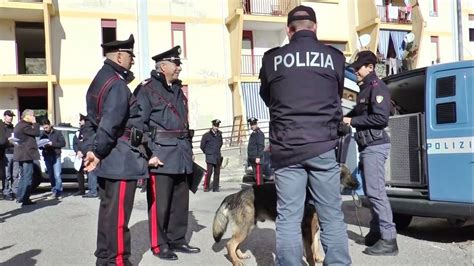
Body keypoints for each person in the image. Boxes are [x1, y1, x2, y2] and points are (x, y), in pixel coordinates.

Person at [259, 5, 351, 265]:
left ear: (289, 30)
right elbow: (336, 93)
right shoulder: (334, 57)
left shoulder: (271, 59)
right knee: (331, 214)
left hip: (287, 148)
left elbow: (268, 98)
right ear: (315, 27)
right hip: (322, 145)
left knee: (288, 216)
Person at [82, 34, 148, 265]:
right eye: (131, 55)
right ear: (120, 56)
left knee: (108, 213)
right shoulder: (118, 85)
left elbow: (90, 122)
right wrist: (97, 152)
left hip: (109, 158)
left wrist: (92, 150)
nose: (133, 60)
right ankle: (116, 261)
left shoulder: (99, 80)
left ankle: (104, 258)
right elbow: (110, 124)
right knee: (118, 216)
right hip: (120, 159)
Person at [134, 45, 200, 261]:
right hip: (160, 153)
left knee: (180, 201)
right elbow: (138, 124)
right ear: (163, 66)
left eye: (179, 63)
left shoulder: (178, 90)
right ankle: (159, 243)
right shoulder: (147, 89)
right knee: (160, 204)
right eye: (176, 63)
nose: (179, 67)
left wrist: (189, 152)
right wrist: (148, 153)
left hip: (180, 152)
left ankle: (177, 239)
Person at [343, 50, 398, 256]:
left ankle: (389, 239)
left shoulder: (377, 87)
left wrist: (351, 121)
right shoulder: (364, 89)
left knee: (377, 193)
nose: (356, 71)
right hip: (367, 146)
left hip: (375, 146)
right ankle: (376, 232)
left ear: (370, 68)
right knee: (371, 192)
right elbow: (358, 113)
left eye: (359, 68)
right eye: (355, 68)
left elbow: (380, 119)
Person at [13, 109, 40, 206]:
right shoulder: (25, 126)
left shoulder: (19, 125)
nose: (34, 117)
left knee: (23, 177)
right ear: (27, 116)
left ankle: (20, 197)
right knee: (28, 177)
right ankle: (25, 199)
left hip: (21, 155)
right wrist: (35, 123)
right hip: (26, 155)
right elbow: (37, 133)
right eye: (32, 115)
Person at [73, 113, 98, 198]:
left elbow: (88, 142)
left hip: (89, 152)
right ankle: (91, 190)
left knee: (91, 172)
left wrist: (84, 151)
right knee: (90, 172)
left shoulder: (88, 129)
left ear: (84, 120)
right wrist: (79, 151)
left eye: (80, 120)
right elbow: (79, 142)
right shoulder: (84, 129)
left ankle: (93, 191)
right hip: (86, 152)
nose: (79, 122)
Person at [40, 119, 66, 199]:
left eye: (46, 127)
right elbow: (40, 145)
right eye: (44, 128)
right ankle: (54, 192)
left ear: (50, 125)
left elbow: (63, 143)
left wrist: (52, 144)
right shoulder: (43, 134)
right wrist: (43, 146)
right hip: (47, 156)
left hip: (56, 156)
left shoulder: (57, 133)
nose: (45, 129)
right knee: (51, 175)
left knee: (57, 175)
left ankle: (59, 192)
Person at [200, 119, 223, 192]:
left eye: (217, 126)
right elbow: (202, 146)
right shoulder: (206, 135)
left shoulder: (219, 134)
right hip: (210, 156)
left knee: (217, 172)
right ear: (212, 126)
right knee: (209, 172)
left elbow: (220, 143)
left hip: (217, 156)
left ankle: (215, 187)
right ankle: (206, 187)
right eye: (215, 126)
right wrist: (207, 152)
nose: (216, 127)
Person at [1, 110, 19, 201]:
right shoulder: (2, 127)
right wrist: (8, 140)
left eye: (12, 116)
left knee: (15, 174)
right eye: (9, 115)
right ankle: (6, 192)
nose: (11, 117)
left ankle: (15, 191)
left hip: (15, 152)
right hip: (6, 153)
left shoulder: (14, 127)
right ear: (5, 117)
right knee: (7, 174)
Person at [246, 117, 265, 184]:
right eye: (251, 124)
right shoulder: (252, 134)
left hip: (257, 158)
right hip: (252, 158)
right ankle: (258, 191)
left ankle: (261, 192)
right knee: (255, 177)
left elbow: (261, 146)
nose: (252, 126)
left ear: (256, 124)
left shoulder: (259, 134)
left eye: (253, 124)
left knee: (259, 178)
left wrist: (258, 157)